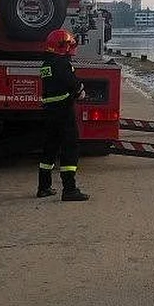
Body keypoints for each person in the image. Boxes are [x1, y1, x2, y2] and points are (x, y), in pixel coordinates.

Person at [37, 28, 90, 201]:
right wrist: (80, 90)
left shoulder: (46, 64)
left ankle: (43, 187)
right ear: (64, 46)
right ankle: (69, 190)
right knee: (70, 148)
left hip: (49, 111)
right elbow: (72, 83)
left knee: (49, 148)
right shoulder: (62, 63)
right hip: (64, 111)